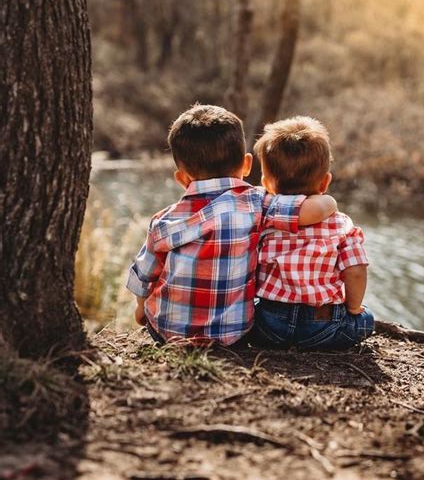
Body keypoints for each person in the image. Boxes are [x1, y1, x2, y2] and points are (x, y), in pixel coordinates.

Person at [126, 105, 336, 347]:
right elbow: (312, 212)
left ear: (182, 178)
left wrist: (141, 308)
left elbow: (143, 274)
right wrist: (329, 200)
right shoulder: (257, 203)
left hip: (168, 333)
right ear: (247, 165)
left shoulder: (163, 220)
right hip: (232, 335)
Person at [251, 116, 374, 351]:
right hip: (324, 325)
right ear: (325, 182)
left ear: (266, 183)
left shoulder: (262, 218)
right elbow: (356, 270)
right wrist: (354, 308)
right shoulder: (341, 225)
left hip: (268, 325)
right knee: (366, 321)